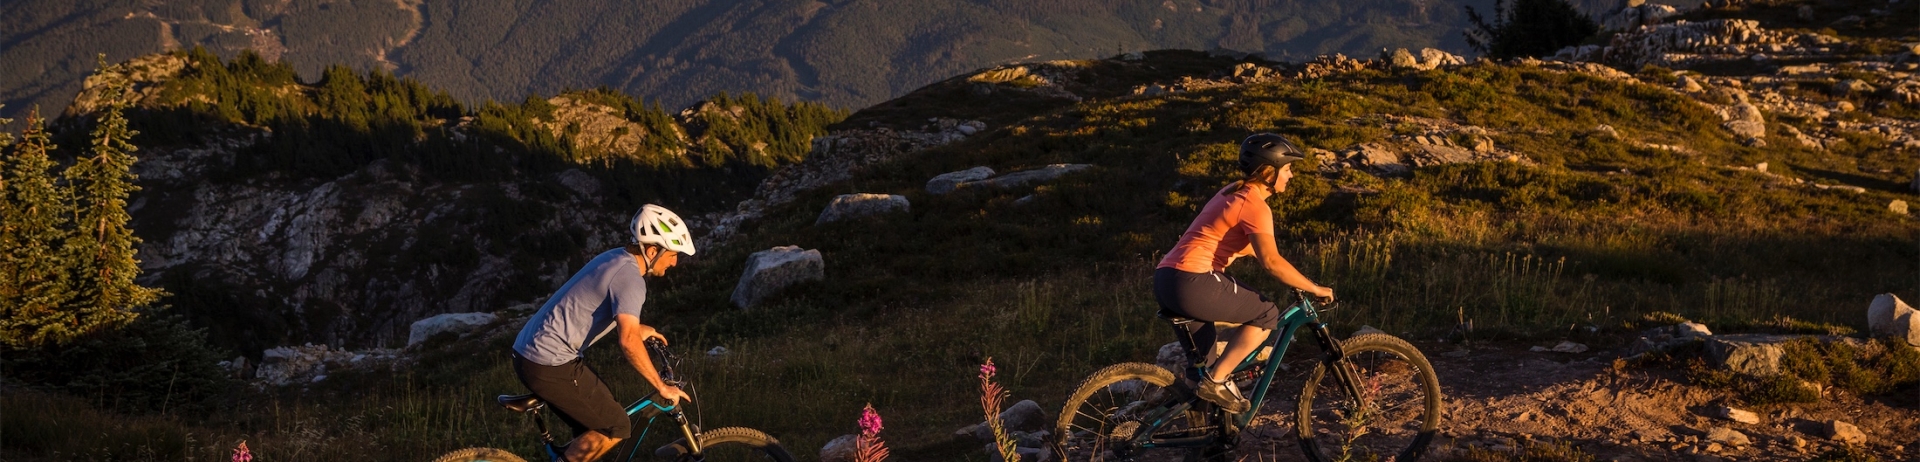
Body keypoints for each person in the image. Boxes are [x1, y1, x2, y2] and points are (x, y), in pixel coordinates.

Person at [1153, 133, 1334, 414]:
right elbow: (1270, 262)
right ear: (1269, 172)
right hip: (1193, 281)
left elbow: (1253, 250)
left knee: (1200, 370)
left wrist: (1296, 276)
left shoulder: (1232, 192)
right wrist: (1316, 289)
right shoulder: (1255, 205)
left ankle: (1189, 431)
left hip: (1166, 279)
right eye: (1288, 169)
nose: (1291, 175)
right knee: (1267, 314)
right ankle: (1218, 382)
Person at [510, 204, 697, 462]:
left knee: (593, 429)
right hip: (548, 362)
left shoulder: (616, 257)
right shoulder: (631, 279)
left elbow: (596, 307)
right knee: (616, 426)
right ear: (652, 251)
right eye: (673, 254)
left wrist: (637, 328)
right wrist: (662, 387)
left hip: (529, 352)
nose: (675, 262)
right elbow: (628, 342)